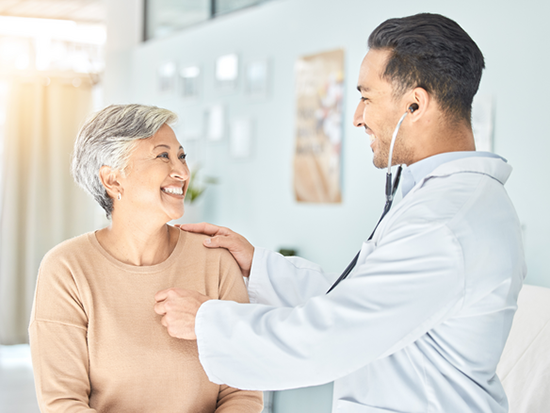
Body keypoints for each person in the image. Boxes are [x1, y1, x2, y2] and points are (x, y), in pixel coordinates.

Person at [154, 13, 526, 413]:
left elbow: (330, 338)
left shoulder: (445, 224)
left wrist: (207, 321)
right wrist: (258, 267)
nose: (357, 117)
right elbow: (361, 304)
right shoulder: (450, 204)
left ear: (415, 105)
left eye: (366, 97)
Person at [28, 104, 263, 413]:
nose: (182, 171)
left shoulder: (215, 260)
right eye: (162, 155)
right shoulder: (66, 268)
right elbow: (63, 402)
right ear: (113, 180)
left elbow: (243, 393)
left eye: (181, 155)